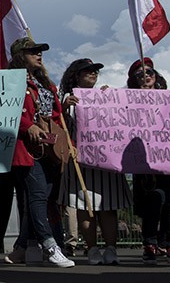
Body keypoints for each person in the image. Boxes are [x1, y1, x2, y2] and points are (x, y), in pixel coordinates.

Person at [4, 38, 75, 268]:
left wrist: (68, 141)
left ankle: (22, 248)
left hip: (50, 149)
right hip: (27, 148)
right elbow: (8, 109)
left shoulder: (46, 84)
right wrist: (27, 126)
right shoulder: (11, 81)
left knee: (44, 198)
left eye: (39, 51)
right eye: (32, 51)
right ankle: (50, 245)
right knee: (37, 196)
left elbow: (56, 117)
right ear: (19, 55)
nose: (38, 54)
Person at [58, 58, 132, 265]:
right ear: (77, 75)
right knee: (85, 206)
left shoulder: (105, 95)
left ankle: (111, 248)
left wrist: (113, 99)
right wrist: (63, 108)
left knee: (109, 206)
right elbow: (58, 124)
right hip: (82, 162)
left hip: (107, 160)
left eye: (95, 71)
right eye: (87, 71)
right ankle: (91, 249)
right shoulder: (68, 98)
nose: (93, 74)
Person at [129, 57, 170, 265]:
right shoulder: (127, 100)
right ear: (133, 80)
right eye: (140, 75)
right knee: (153, 201)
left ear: (156, 77)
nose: (146, 76)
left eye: (149, 73)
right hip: (144, 162)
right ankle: (150, 243)